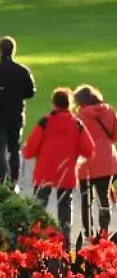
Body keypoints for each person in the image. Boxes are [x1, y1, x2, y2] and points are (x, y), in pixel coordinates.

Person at [23, 88, 96, 247]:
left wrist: (29, 152)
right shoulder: (77, 124)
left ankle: (34, 238)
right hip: (66, 172)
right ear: (69, 104)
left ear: (54, 103)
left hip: (44, 171)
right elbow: (89, 150)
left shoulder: (45, 122)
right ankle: (65, 240)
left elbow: (29, 150)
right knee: (65, 208)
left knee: (38, 206)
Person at [0, 36, 36, 187]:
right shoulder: (22, 71)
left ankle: (2, 176)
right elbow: (30, 92)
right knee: (14, 147)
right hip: (15, 113)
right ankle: (14, 179)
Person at [74, 85, 117, 239]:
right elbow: (114, 136)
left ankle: (89, 232)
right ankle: (104, 232)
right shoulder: (109, 111)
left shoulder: (81, 116)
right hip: (107, 160)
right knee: (104, 198)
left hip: (86, 164)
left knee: (87, 200)